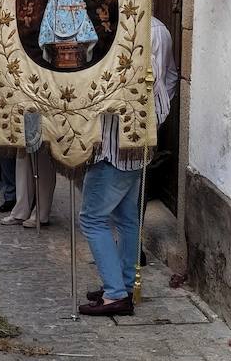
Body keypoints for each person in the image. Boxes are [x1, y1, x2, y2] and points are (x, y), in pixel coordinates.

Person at [77, 16, 180, 316]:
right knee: (126, 217)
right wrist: (155, 118)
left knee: (92, 218)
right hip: (141, 135)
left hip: (114, 140)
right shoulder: (158, 27)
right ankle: (124, 282)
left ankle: (115, 293)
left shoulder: (117, 30)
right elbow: (169, 78)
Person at [0, 112, 58, 227]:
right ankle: (21, 211)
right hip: (24, 106)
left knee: (43, 158)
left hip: (46, 108)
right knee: (23, 156)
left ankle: (41, 213)